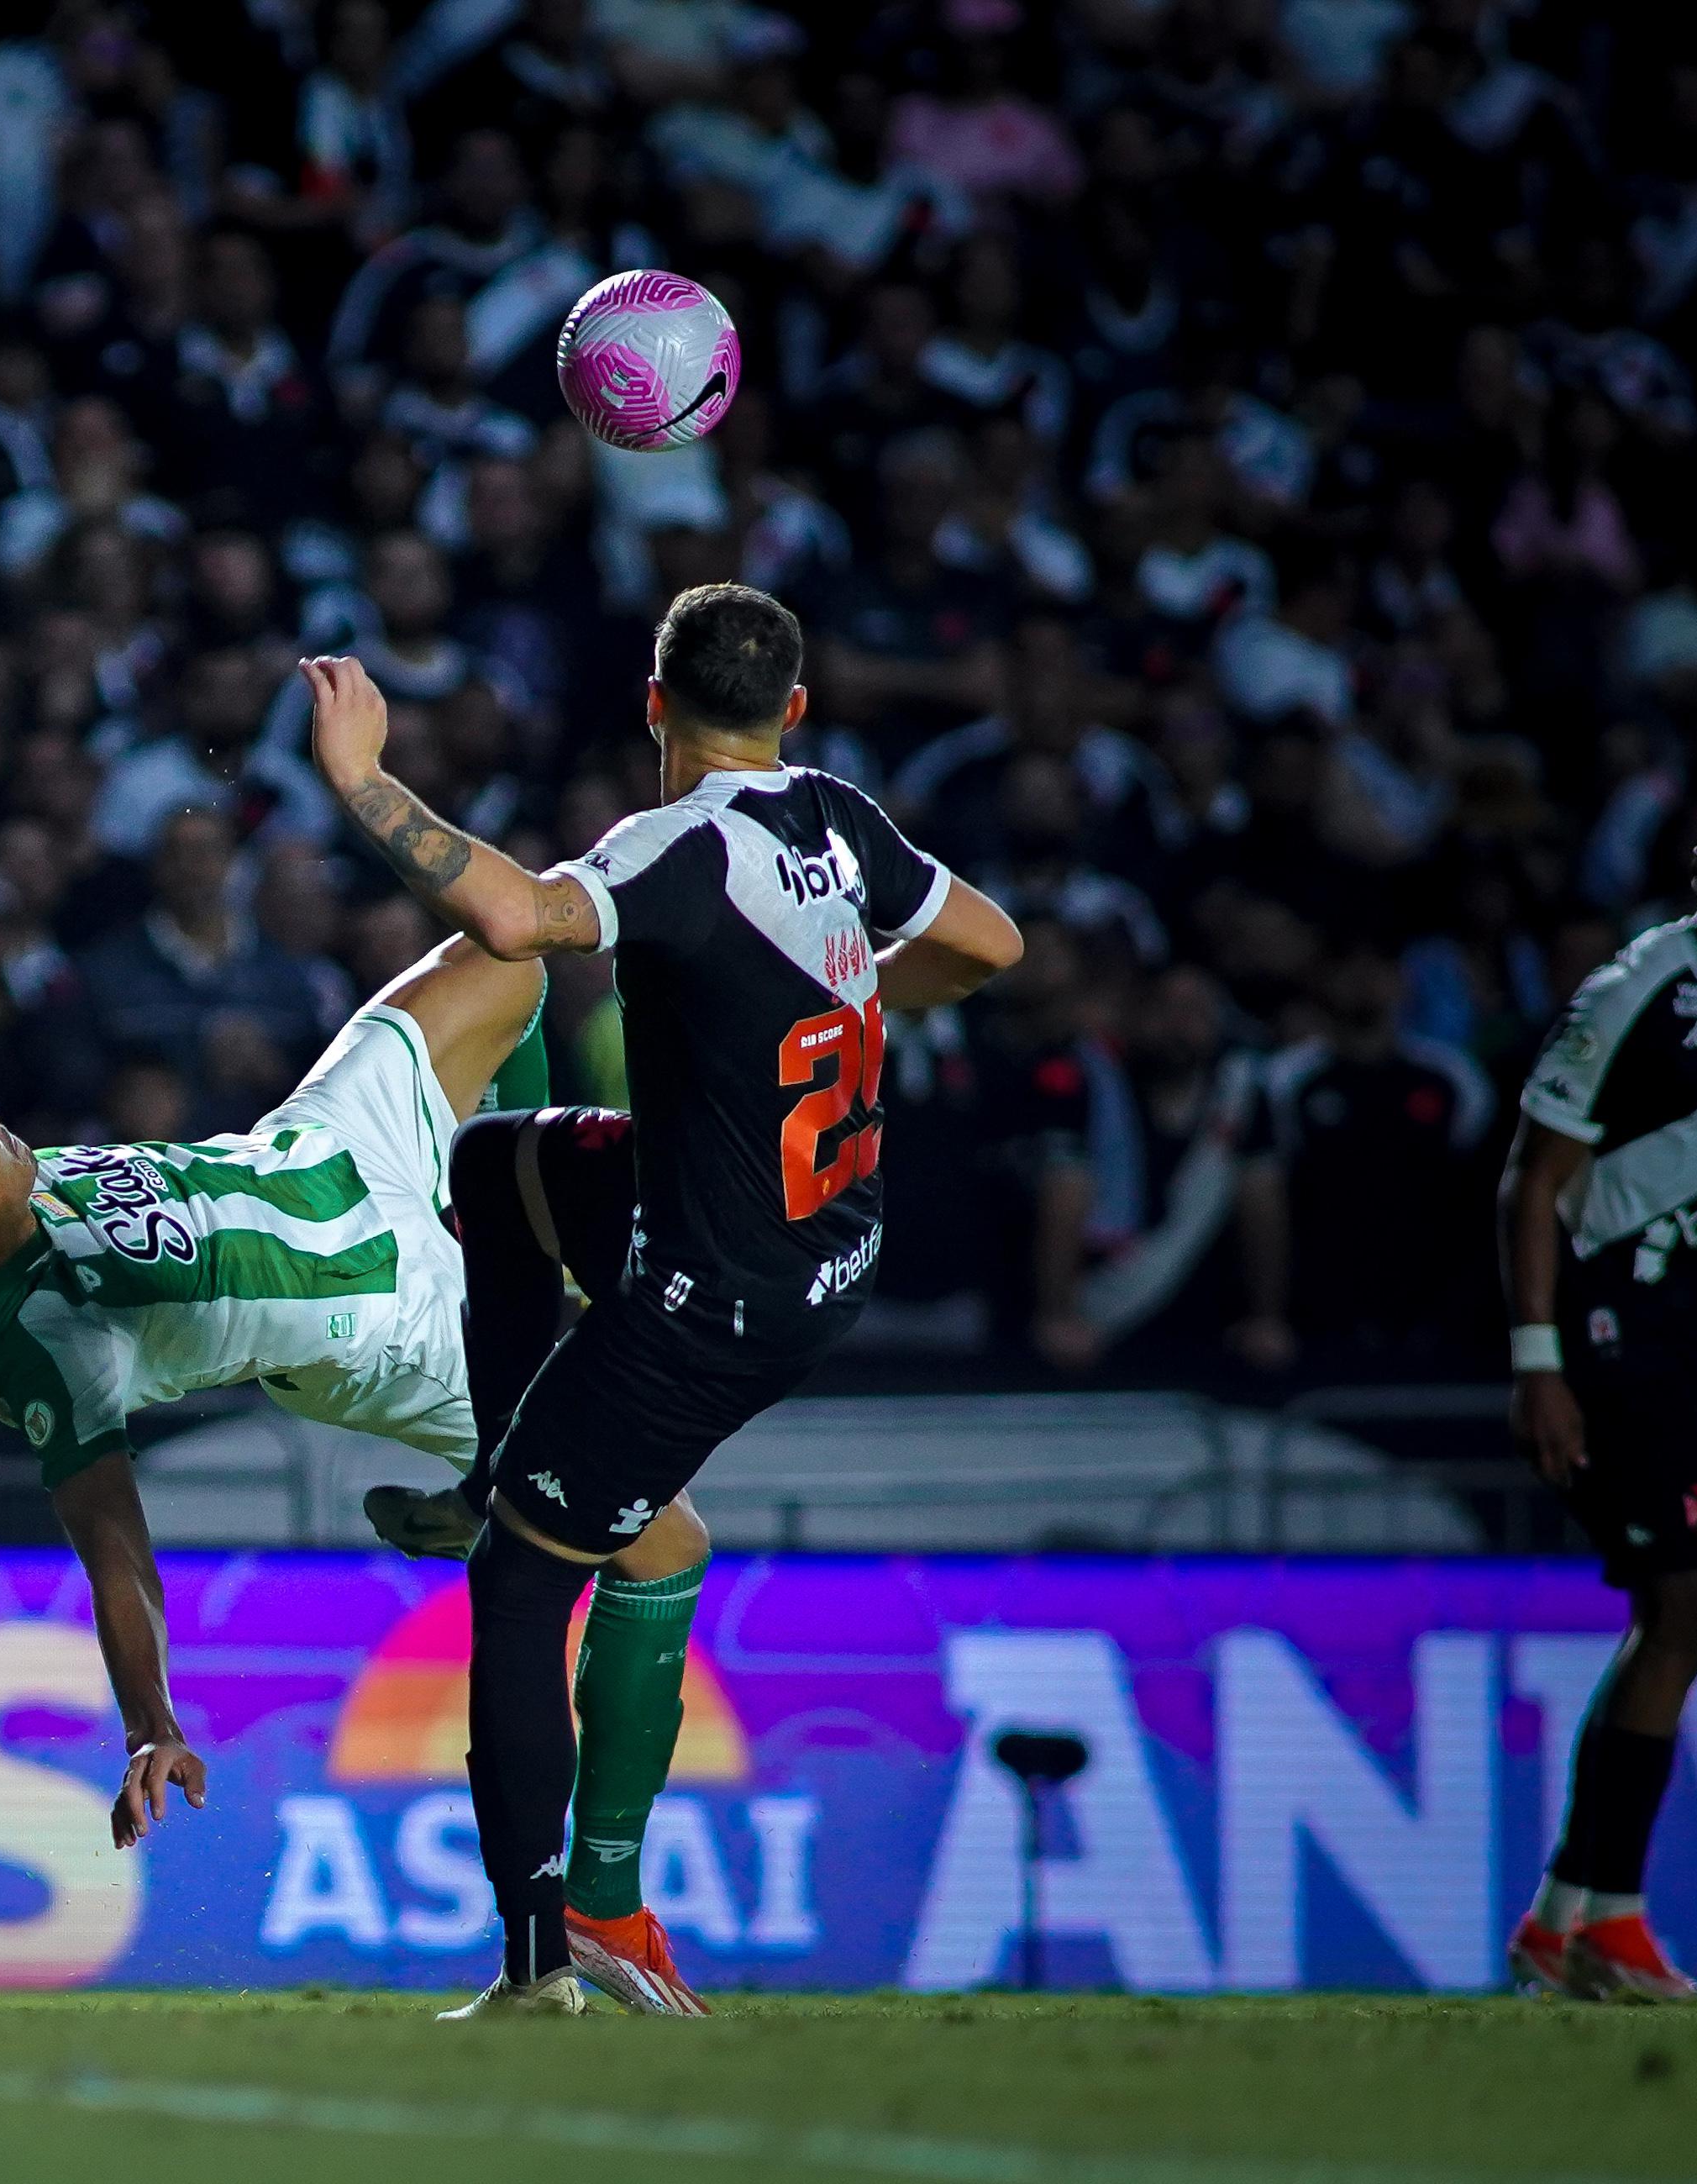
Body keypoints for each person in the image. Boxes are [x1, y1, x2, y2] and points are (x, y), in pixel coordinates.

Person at [302, 585, 1021, 2017]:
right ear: (791, 709)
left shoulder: (671, 844)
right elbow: (992, 941)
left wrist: (358, 777)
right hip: (811, 1231)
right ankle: (490, 1466)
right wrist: (865, 999)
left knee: (517, 1584)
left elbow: (511, 918)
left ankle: (540, 1961)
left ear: (651, 703)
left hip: (718, 1288)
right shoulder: (831, 813)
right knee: (496, 1165)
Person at [0, 933, 545, 1860]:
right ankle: (496, 1492)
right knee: (647, 1518)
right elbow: (111, 1545)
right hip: (385, 1319)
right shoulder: (53, 1341)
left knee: (512, 953)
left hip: (315, 1143)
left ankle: (519, 1259)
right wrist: (148, 1724)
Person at [1499, 789, 1697, 2004]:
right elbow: (1531, 1182)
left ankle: (1565, 1916)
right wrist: (1537, 1356)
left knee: (1679, 1617)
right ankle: (1603, 1920)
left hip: (1686, 1335)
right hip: (1607, 1325)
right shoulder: (1644, 983)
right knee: (1684, 1605)